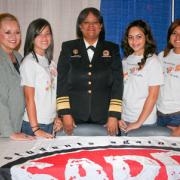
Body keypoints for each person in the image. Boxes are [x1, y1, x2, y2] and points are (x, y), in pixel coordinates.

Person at [57, 7, 123, 136]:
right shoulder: (68, 48)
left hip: (105, 119)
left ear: (101, 26)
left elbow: (118, 84)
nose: (91, 26)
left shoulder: (112, 49)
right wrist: (65, 113)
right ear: (80, 26)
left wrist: (114, 115)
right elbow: (62, 82)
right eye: (86, 22)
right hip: (74, 118)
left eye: (95, 22)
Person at [119, 20, 164, 135]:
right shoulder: (125, 61)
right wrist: (119, 117)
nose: (134, 41)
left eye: (139, 37)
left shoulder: (153, 62)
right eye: (131, 37)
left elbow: (153, 96)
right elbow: (120, 93)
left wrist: (138, 123)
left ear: (146, 37)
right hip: (125, 120)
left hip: (144, 123)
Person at [20, 18, 62, 138]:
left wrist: (57, 117)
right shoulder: (29, 62)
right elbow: (29, 99)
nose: (44, 38)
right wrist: (36, 129)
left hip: (50, 123)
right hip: (34, 125)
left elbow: (52, 94)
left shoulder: (51, 63)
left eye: (47, 33)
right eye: (39, 34)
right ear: (32, 38)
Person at [0, 13, 34, 140]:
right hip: (4, 131)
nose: (13, 37)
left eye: (17, 32)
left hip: (17, 125)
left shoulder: (18, 56)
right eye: (8, 32)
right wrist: (9, 132)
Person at [157, 19, 180, 137]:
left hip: (177, 116)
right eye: (174, 33)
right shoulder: (162, 56)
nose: (177, 37)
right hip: (158, 115)